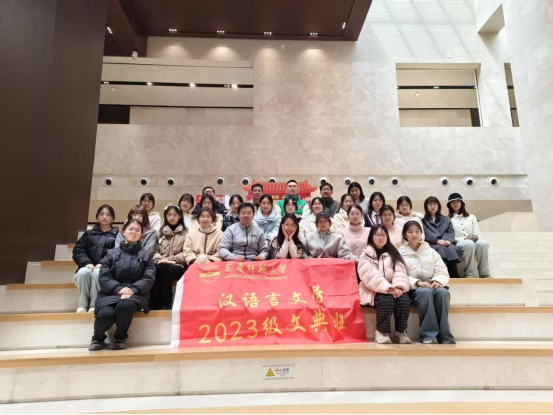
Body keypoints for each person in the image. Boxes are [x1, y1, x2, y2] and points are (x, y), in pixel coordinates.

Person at [89, 219, 156, 351]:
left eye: (137, 230)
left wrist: (132, 289)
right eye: (130, 229)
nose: (133, 232)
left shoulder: (147, 255)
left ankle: (121, 337)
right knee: (105, 314)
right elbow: (104, 276)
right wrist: (119, 289)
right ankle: (98, 338)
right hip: (111, 293)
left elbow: (149, 278)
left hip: (136, 294)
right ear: (123, 232)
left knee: (124, 307)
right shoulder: (111, 253)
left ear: (141, 235)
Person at [399, 221, 455, 345]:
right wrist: (417, 282)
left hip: (432, 285)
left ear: (421, 233)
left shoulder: (431, 251)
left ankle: (445, 335)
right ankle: (429, 335)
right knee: (425, 292)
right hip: (414, 289)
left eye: (417, 231)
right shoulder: (400, 253)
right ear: (404, 235)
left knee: (443, 293)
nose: (414, 234)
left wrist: (436, 280)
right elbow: (399, 275)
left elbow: (442, 271)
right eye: (410, 232)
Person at [358, 225, 411, 345]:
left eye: (383, 235)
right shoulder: (365, 255)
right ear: (371, 237)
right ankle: (381, 332)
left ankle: (401, 332)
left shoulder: (394, 253)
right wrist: (388, 288)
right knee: (386, 299)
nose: (381, 238)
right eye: (377, 235)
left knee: (403, 299)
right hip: (372, 290)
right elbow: (369, 275)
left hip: (394, 288)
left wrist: (398, 287)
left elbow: (400, 272)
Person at [73, 205, 119, 314]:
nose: (104, 217)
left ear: (112, 218)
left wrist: (102, 263)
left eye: (108, 215)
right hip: (87, 266)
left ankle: (94, 304)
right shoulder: (88, 234)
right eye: (101, 214)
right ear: (97, 217)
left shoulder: (117, 235)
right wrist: (87, 263)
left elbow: (116, 252)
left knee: (98, 273)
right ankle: (82, 305)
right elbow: (78, 250)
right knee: (83, 273)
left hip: (105, 268)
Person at [150, 205, 188, 310]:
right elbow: (155, 251)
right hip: (161, 263)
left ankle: (166, 304)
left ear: (179, 216)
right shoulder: (159, 232)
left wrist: (170, 260)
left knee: (167, 268)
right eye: (169, 215)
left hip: (178, 266)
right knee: (154, 268)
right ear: (166, 216)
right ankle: (153, 304)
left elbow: (186, 252)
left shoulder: (186, 233)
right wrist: (159, 259)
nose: (172, 217)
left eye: (175, 215)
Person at [448, 193, 491, 278]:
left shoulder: (471, 217)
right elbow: (450, 237)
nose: (455, 203)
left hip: (473, 241)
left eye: (458, 201)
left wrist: (476, 237)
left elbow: (478, 233)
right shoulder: (448, 219)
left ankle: (484, 273)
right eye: (452, 202)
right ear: (449, 205)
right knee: (468, 243)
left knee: (482, 244)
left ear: (462, 203)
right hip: (459, 243)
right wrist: (464, 238)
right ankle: (469, 274)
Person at [422, 197, 462, 279]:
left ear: (438, 206)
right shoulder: (423, 220)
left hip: (446, 242)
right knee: (439, 249)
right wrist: (438, 240)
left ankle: (453, 274)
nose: (433, 206)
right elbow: (426, 232)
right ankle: (442, 274)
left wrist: (447, 240)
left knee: (451, 248)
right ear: (426, 206)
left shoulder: (446, 219)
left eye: (434, 204)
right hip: (432, 243)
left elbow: (450, 231)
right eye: (430, 204)